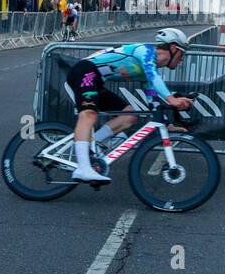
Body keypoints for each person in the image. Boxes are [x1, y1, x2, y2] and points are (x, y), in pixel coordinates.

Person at [66, 28, 195, 184]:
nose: (182, 60)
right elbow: (154, 78)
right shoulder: (145, 51)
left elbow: (152, 96)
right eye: (182, 54)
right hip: (85, 71)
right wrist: (171, 99)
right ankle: (83, 168)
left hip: (97, 81)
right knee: (89, 114)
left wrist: (166, 125)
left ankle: (93, 143)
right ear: (174, 48)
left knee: (130, 115)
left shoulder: (149, 68)